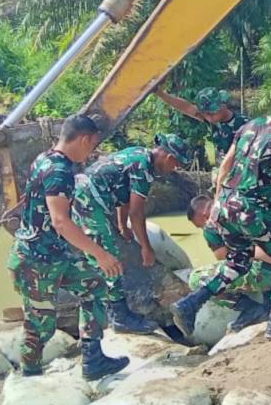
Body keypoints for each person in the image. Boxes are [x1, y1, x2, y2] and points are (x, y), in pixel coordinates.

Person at [172, 88, 271, 339]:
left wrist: (218, 203)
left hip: (226, 203)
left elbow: (225, 165)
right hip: (252, 208)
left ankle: (190, 303)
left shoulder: (250, 126)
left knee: (238, 262)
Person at [6, 114, 128, 380]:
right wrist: (100, 253)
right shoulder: (59, 172)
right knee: (40, 326)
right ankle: (30, 376)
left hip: (56, 255)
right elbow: (61, 222)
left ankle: (93, 360)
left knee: (94, 284)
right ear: (84, 139)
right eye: (92, 144)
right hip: (35, 261)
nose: (92, 151)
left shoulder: (44, 159)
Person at [71, 133, 191, 335]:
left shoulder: (137, 155)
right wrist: (146, 248)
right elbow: (137, 212)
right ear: (169, 158)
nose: (174, 169)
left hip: (88, 196)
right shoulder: (143, 169)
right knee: (110, 258)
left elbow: (124, 194)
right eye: (175, 165)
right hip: (91, 203)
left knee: (111, 250)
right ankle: (119, 317)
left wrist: (121, 224)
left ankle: (113, 311)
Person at [186, 193, 271, 332]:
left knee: (197, 278)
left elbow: (224, 257)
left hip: (262, 274)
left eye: (200, 226)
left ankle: (251, 308)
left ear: (204, 216)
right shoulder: (243, 203)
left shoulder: (211, 226)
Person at [154, 86, 249, 177]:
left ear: (222, 105)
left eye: (212, 113)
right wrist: (161, 94)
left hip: (242, 172)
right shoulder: (213, 121)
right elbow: (186, 107)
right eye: (205, 114)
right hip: (224, 172)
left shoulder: (244, 125)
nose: (209, 117)